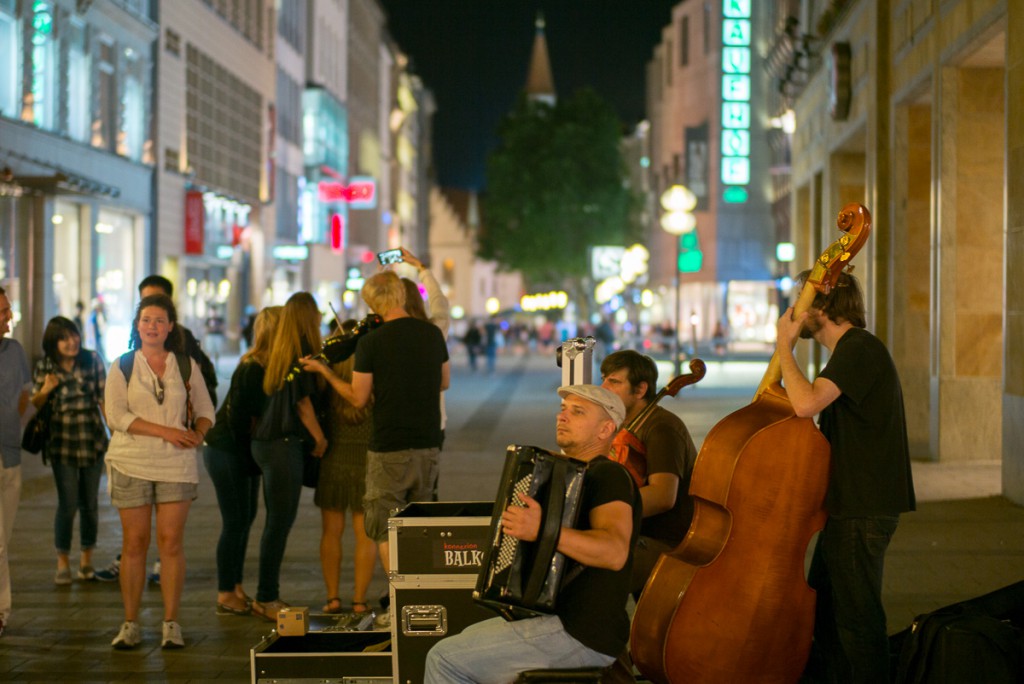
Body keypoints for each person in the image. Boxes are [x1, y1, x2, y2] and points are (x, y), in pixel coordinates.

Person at [423, 384, 641, 682]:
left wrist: (541, 530)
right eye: (564, 409)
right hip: (560, 620)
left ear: (605, 430)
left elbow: (615, 552)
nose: (562, 416)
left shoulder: (609, 475)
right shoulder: (576, 474)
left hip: (581, 631)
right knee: (467, 639)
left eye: (578, 412)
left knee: (444, 659)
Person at [775, 270, 915, 684]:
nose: (796, 308)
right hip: (849, 507)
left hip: (862, 507)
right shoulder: (849, 352)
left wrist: (784, 346)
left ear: (822, 305)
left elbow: (806, 404)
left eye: (802, 298)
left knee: (857, 622)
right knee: (827, 615)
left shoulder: (859, 348)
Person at [301, 271, 449, 593]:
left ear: (372, 303)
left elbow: (358, 397)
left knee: (384, 528)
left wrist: (326, 370)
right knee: (420, 525)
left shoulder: (371, 342)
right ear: (401, 295)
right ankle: (424, 593)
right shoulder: (432, 334)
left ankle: (403, 597)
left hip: (389, 447)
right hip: (428, 445)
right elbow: (444, 381)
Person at [104, 294, 215, 650]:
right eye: (146, 319)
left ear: (170, 327)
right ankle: (130, 622)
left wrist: (197, 433)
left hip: (176, 466)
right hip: (130, 462)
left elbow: (206, 409)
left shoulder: (185, 365)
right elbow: (115, 416)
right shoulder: (122, 365)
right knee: (134, 544)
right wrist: (165, 431)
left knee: (171, 543)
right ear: (137, 325)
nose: (152, 326)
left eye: (159, 321)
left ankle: (171, 622)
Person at [249, 292, 328, 621]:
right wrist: (320, 438)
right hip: (283, 445)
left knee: (276, 524)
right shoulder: (299, 352)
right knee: (279, 523)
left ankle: (266, 593)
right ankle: (266, 596)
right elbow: (303, 403)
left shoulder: (280, 351)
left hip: (267, 443)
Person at [202, 306, 281, 616]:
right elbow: (239, 419)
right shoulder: (253, 367)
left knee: (245, 519)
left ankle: (235, 587)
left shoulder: (264, 364)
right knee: (235, 522)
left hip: (242, 452)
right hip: (227, 450)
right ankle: (225, 591)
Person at [600, 350, 698, 596]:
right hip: (635, 532)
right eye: (603, 379)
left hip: (666, 543)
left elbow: (663, 495)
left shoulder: (662, 427)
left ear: (641, 389)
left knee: (595, 572)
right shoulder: (625, 426)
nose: (603, 387)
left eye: (614, 381)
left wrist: (608, 509)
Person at [29, 317, 109, 585]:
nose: (72, 341)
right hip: (62, 444)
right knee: (68, 504)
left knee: (90, 504)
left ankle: (86, 559)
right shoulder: (46, 366)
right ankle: (62, 560)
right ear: (53, 342)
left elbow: (103, 399)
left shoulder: (92, 360)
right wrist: (46, 388)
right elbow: (35, 404)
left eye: (74, 335)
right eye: (64, 338)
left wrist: (118, 435)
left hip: (92, 441)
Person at [315, 320, 377, 615]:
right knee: (365, 534)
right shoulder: (374, 378)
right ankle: (359, 600)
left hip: (334, 460)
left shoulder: (328, 381)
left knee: (331, 531)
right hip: (368, 461)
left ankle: (332, 598)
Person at [0, 285, 31, 638]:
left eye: (8, 310)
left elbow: (25, 394)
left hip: (10, 453)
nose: (9, 317)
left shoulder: (15, 350)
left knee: (4, 538)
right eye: (3, 312)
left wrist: (14, 425)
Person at [138, 275, 218, 406]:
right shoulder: (135, 341)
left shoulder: (184, 337)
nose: (151, 306)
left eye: (158, 300)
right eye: (146, 301)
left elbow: (195, 388)